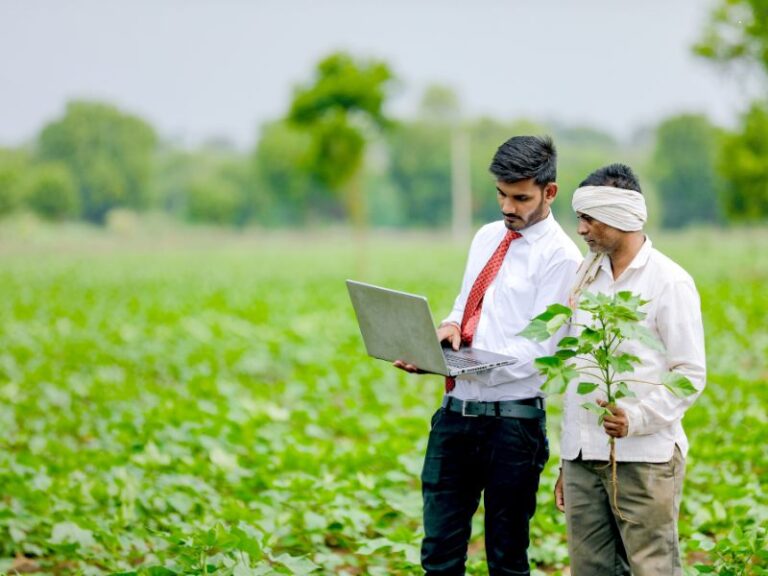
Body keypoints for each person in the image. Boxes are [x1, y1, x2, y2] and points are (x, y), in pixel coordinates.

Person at [395, 135, 582, 575]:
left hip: (513, 427)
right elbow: (466, 305)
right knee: (438, 553)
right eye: (501, 194)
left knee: (506, 558)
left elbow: (540, 350)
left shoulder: (561, 257)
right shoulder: (485, 237)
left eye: (520, 198)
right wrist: (446, 333)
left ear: (549, 192)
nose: (507, 207)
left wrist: (475, 360)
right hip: (455, 415)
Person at [555, 163, 706, 575]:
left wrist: (635, 418)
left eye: (588, 219)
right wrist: (568, 461)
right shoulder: (585, 278)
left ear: (621, 216)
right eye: (579, 219)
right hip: (583, 456)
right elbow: (577, 369)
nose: (581, 230)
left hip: (645, 458)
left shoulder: (668, 282)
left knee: (650, 568)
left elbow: (689, 373)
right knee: (590, 569)